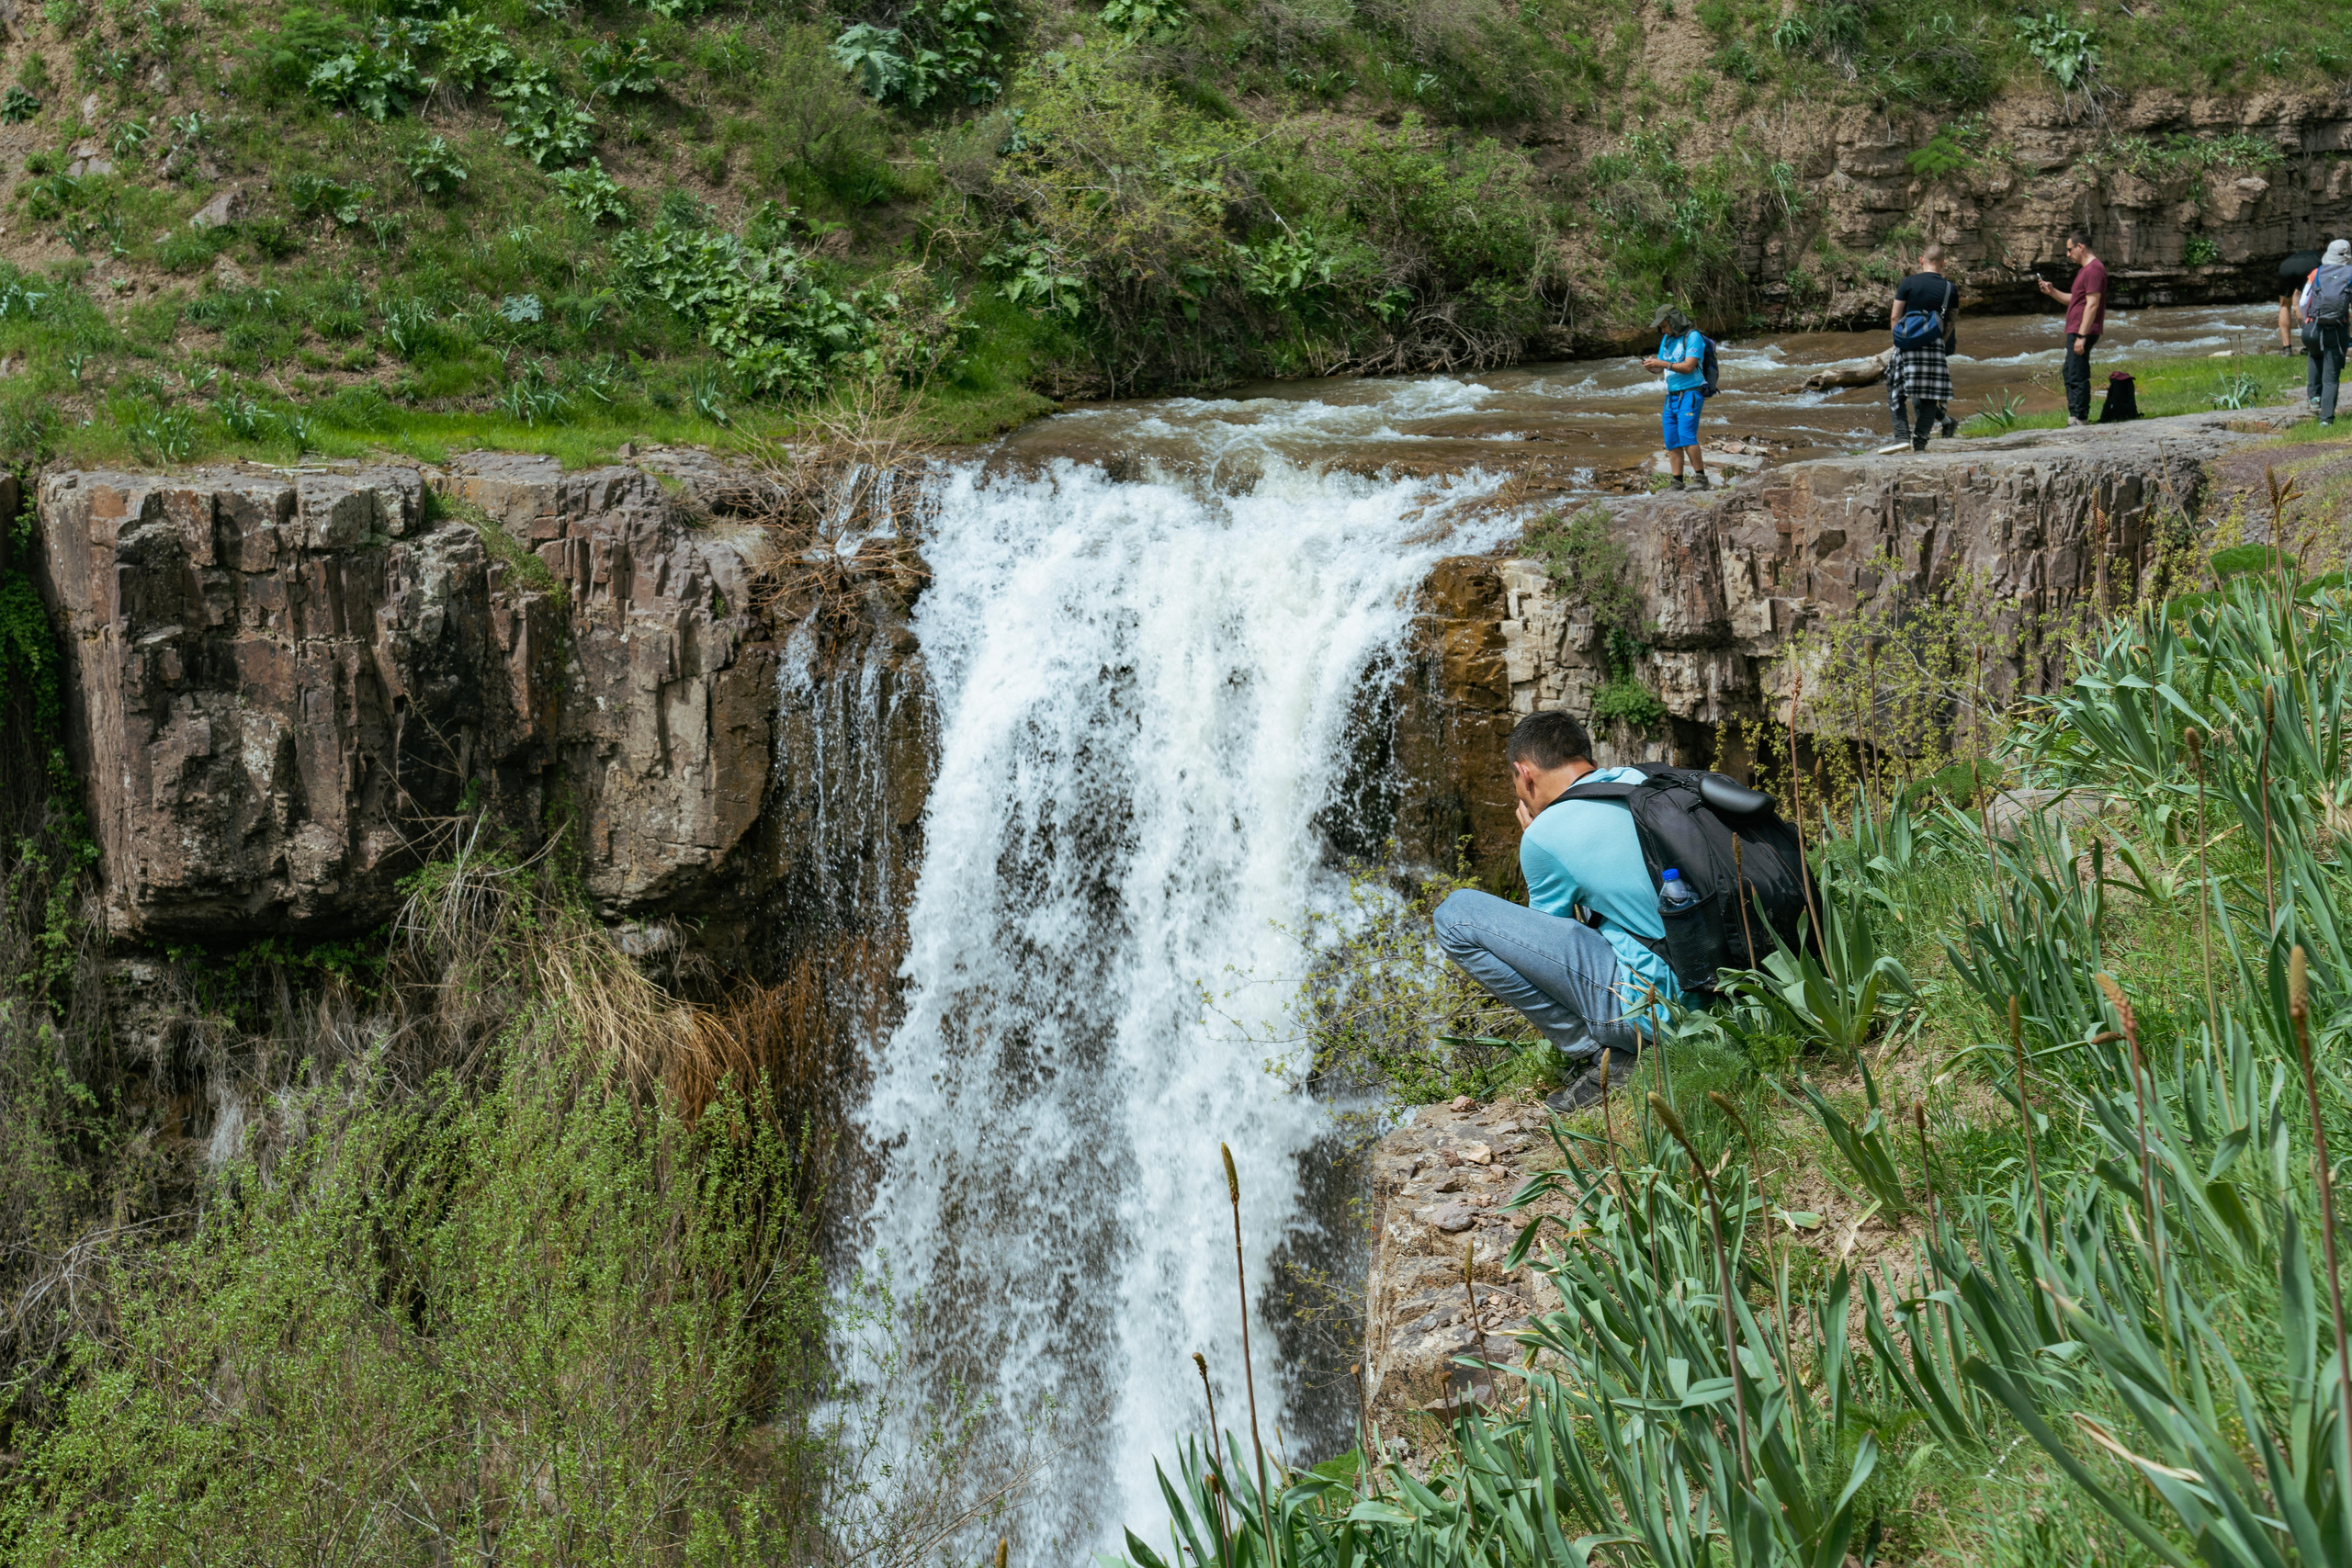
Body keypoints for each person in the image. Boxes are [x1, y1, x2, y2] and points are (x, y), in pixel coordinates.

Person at [1431, 710, 1679, 1111]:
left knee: (1454, 915)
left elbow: (1551, 955)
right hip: (1726, 986)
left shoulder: (1546, 835)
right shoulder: (1647, 781)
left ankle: (1600, 1056)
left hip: (1658, 1012)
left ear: (1524, 772)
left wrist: (1538, 838)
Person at [1888, 244, 1960, 451]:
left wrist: (1897, 339)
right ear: (1943, 262)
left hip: (1907, 343)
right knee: (1929, 396)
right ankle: (1919, 443)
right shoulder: (1949, 288)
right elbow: (1950, 322)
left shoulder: (1908, 282)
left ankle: (1901, 436)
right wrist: (1940, 341)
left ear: (1921, 260)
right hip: (1935, 344)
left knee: (1895, 388)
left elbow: (1895, 315)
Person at [2037, 231, 2107, 426]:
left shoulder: (2094, 270)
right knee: (2069, 371)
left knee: (2078, 373)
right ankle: (2074, 416)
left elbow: (2093, 304)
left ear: (2080, 247)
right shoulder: (2085, 270)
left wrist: (2082, 336)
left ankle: (2080, 419)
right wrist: (2052, 292)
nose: (2068, 254)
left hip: (2082, 331)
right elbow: (2074, 300)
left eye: (2070, 250)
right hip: (2076, 330)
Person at [1640, 304, 1711, 491]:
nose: (1662, 330)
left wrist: (1661, 362)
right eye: (1661, 327)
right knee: (1671, 440)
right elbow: (1661, 368)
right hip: (1671, 396)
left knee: (1687, 437)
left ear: (1674, 321)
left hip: (1691, 393)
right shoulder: (1666, 339)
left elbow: (1688, 367)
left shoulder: (1693, 337)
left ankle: (1701, 479)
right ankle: (1677, 482)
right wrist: (1651, 366)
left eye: (1664, 325)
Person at [2299, 238, 2350, 426]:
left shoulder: (2316, 272)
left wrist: (2307, 320)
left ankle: (2314, 399)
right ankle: (2326, 420)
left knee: (2314, 354)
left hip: (2312, 329)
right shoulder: (2351, 274)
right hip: (2336, 331)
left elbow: (2304, 302)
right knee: (2331, 376)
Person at [2279, 244, 2325, 354]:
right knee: (2306, 304)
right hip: (2309, 268)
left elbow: (2296, 293)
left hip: (2286, 266)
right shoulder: (2319, 260)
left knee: (2284, 305)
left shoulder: (2296, 256)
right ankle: (2309, 344)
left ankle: (2286, 348)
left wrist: (2295, 305)